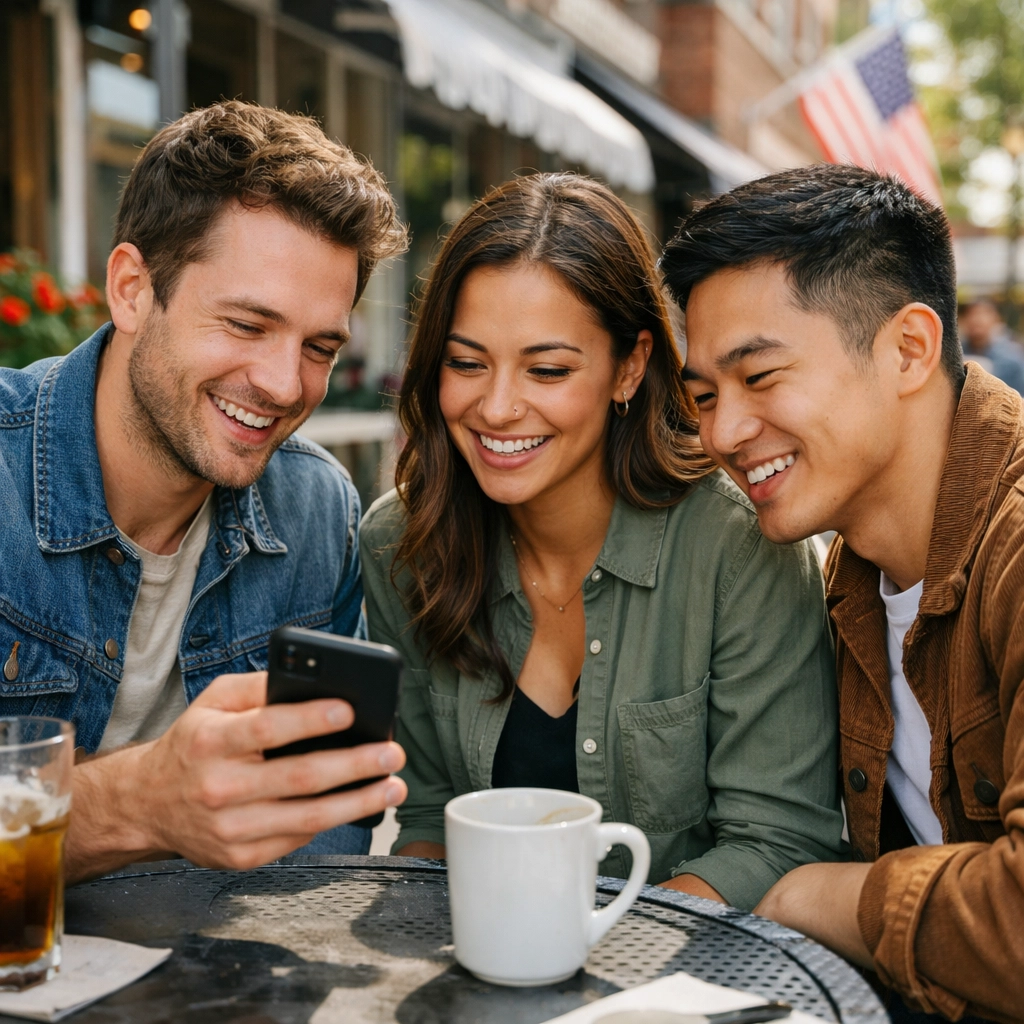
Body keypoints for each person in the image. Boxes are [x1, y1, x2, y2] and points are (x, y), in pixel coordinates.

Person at [359, 173, 845, 911]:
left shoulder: (738, 543)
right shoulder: (402, 542)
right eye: (466, 363)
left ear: (628, 367)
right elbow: (429, 817)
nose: (495, 407)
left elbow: (774, 840)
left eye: (547, 369)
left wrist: (595, 956)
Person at [0, 102, 409, 884]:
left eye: (320, 346)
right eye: (248, 325)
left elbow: (315, 852)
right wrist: (138, 803)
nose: (286, 385)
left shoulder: (318, 514)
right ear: (130, 289)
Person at [661, 165, 1023, 1022]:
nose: (722, 432)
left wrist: (817, 897)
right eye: (705, 395)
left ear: (908, 348)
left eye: (760, 377)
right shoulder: (848, 575)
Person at [960, 297, 1024, 395]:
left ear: (996, 319)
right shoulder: (956, 355)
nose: (977, 320)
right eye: (972, 314)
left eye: (984, 314)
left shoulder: (1011, 359)